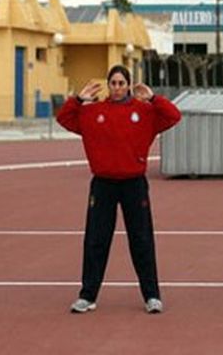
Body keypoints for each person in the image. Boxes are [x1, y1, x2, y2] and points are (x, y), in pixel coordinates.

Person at [56, 64, 182, 315]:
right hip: (103, 185)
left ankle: (152, 296)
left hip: (134, 184)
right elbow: (64, 119)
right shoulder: (93, 113)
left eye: (121, 83)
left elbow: (173, 116)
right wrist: (79, 99)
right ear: (108, 85)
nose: (117, 88)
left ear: (128, 85)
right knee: (96, 240)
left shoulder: (144, 112)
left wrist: (154, 98)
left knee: (142, 240)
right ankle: (87, 295)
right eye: (113, 83)